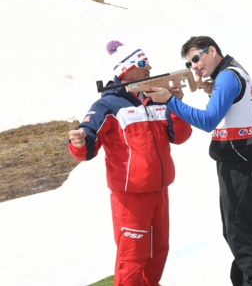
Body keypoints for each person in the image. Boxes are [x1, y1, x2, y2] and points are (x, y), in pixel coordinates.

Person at [145, 36, 252, 286]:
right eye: (189, 63)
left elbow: (208, 121)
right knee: (237, 231)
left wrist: (170, 101)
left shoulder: (226, 76)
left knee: (241, 233)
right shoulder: (229, 72)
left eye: (196, 58)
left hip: (239, 161)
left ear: (212, 50)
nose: (194, 66)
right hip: (239, 159)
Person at [67, 40, 192, 286]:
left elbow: (180, 136)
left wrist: (175, 104)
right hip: (130, 197)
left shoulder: (156, 98)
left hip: (160, 190)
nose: (149, 67)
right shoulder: (107, 105)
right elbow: (87, 146)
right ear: (125, 69)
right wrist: (79, 143)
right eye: (143, 63)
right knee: (132, 258)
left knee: (158, 252)